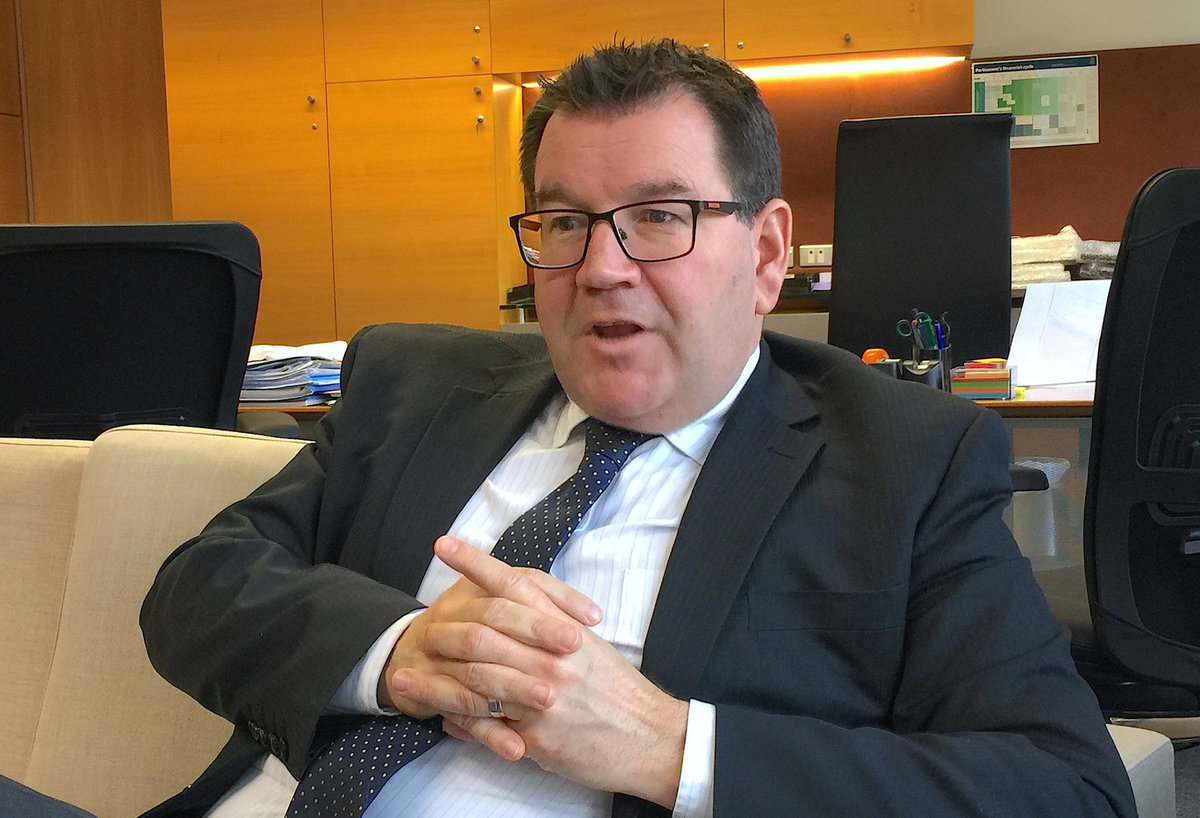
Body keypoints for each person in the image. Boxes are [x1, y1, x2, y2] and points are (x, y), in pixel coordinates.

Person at [139, 39, 1135, 817]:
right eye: (564, 222)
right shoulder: (414, 383)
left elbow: (1070, 789)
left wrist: (668, 745)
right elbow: (199, 584)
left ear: (766, 252)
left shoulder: (906, 459)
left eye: (660, 216)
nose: (601, 268)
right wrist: (399, 651)